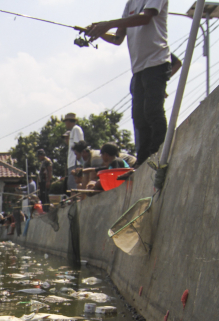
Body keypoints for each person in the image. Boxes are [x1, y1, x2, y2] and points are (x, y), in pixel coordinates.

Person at [87, 0, 171, 167]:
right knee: (139, 119)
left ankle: (160, 154)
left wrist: (108, 24)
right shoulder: (130, 4)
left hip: (156, 62)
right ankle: (143, 161)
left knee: (153, 112)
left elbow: (145, 18)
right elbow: (118, 38)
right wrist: (100, 32)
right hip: (138, 69)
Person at [62, 113, 84, 191]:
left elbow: (78, 146)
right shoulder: (73, 130)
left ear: (68, 121)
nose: (65, 124)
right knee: (71, 185)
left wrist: (77, 163)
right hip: (72, 163)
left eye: (65, 122)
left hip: (75, 163)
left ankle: (76, 202)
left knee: (74, 185)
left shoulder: (76, 129)